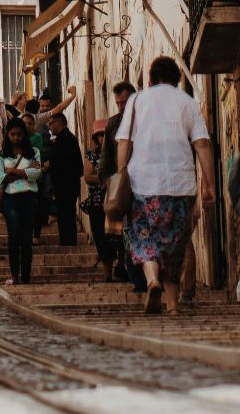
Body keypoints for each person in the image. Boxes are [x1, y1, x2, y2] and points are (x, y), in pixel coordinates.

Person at [112, 58, 216, 314]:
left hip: (142, 184)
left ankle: (152, 280)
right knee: (174, 246)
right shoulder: (188, 102)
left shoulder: (137, 101)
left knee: (143, 238)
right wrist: (210, 184)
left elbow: (124, 142)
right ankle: (172, 305)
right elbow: (202, 144)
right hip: (180, 186)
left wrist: (120, 173)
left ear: (150, 78)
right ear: (177, 79)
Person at [86, 82, 137, 281]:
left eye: (125, 102)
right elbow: (105, 159)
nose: (122, 106)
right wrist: (109, 182)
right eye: (118, 103)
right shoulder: (113, 124)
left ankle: (137, 274)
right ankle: (127, 270)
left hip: (144, 182)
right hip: (121, 186)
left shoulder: (145, 119)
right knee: (120, 231)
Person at [0, 118, 45, 286]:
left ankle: (25, 276)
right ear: (7, 135)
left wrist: (13, 171)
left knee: (26, 238)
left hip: (29, 197)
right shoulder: (0, 154)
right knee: (14, 234)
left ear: (24, 135)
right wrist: (25, 171)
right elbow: (0, 178)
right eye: (13, 134)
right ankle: (14, 275)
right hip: (10, 198)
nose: (16, 138)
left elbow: (36, 174)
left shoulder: (34, 152)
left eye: (19, 134)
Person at [43, 112, 85, 247]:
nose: (49, 127)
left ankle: (68, 242)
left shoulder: (64, 139)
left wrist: (50, 164)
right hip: (67, 185)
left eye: (51, 123)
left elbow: (66, 162)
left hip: (65, 185)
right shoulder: (66, 138)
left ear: (58, 123)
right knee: (66, 215)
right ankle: (68, 241)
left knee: (66, 215)